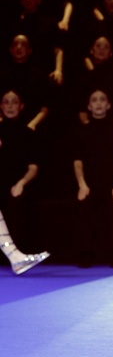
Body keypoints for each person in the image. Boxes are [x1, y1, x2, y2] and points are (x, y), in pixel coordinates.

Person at [73, 88, 113, 268]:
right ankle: (85, 253)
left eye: (102, 99)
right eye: (94, 100)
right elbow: (77, 162)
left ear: (108, 105)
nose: (98, 103)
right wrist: (82, 185)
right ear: (89, 106)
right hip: (89, 184)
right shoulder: (82, 131)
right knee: (83, 205)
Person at [0, 89, 50, 274]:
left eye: (14, 102)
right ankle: (15, 257)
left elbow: (33, 168)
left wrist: (21, 183)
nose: (10, 106)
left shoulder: (26, 133)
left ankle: (15, 257)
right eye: (6, 102)